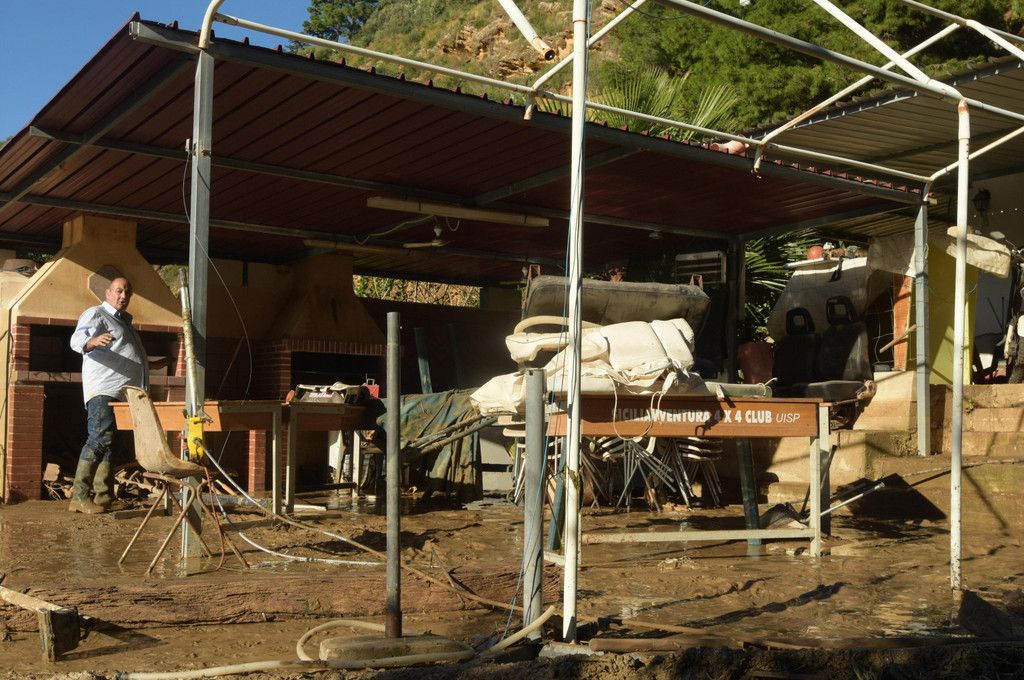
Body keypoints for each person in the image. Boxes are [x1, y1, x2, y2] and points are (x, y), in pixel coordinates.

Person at [68, 276, 148, 514]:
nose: (123, 296)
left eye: (127, 292)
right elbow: (77, 339)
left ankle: (103, 496)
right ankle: (79, 496)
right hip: (105, 390)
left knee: (112, 444)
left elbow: (125, 354)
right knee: (100, 439)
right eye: (119, 291)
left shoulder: (124, 322)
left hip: (123, 394)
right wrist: (91, 341)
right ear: (108, 293)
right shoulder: (97, 313)